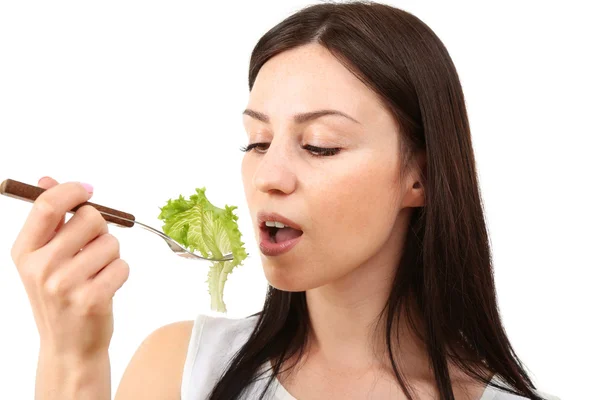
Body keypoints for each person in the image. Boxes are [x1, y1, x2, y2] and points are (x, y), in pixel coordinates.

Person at [10, 1, 560, 399]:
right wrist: (71, 357)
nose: (267, 176)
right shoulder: (181, 372)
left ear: (420, 176)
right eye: (257, 141)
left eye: (319, 146)